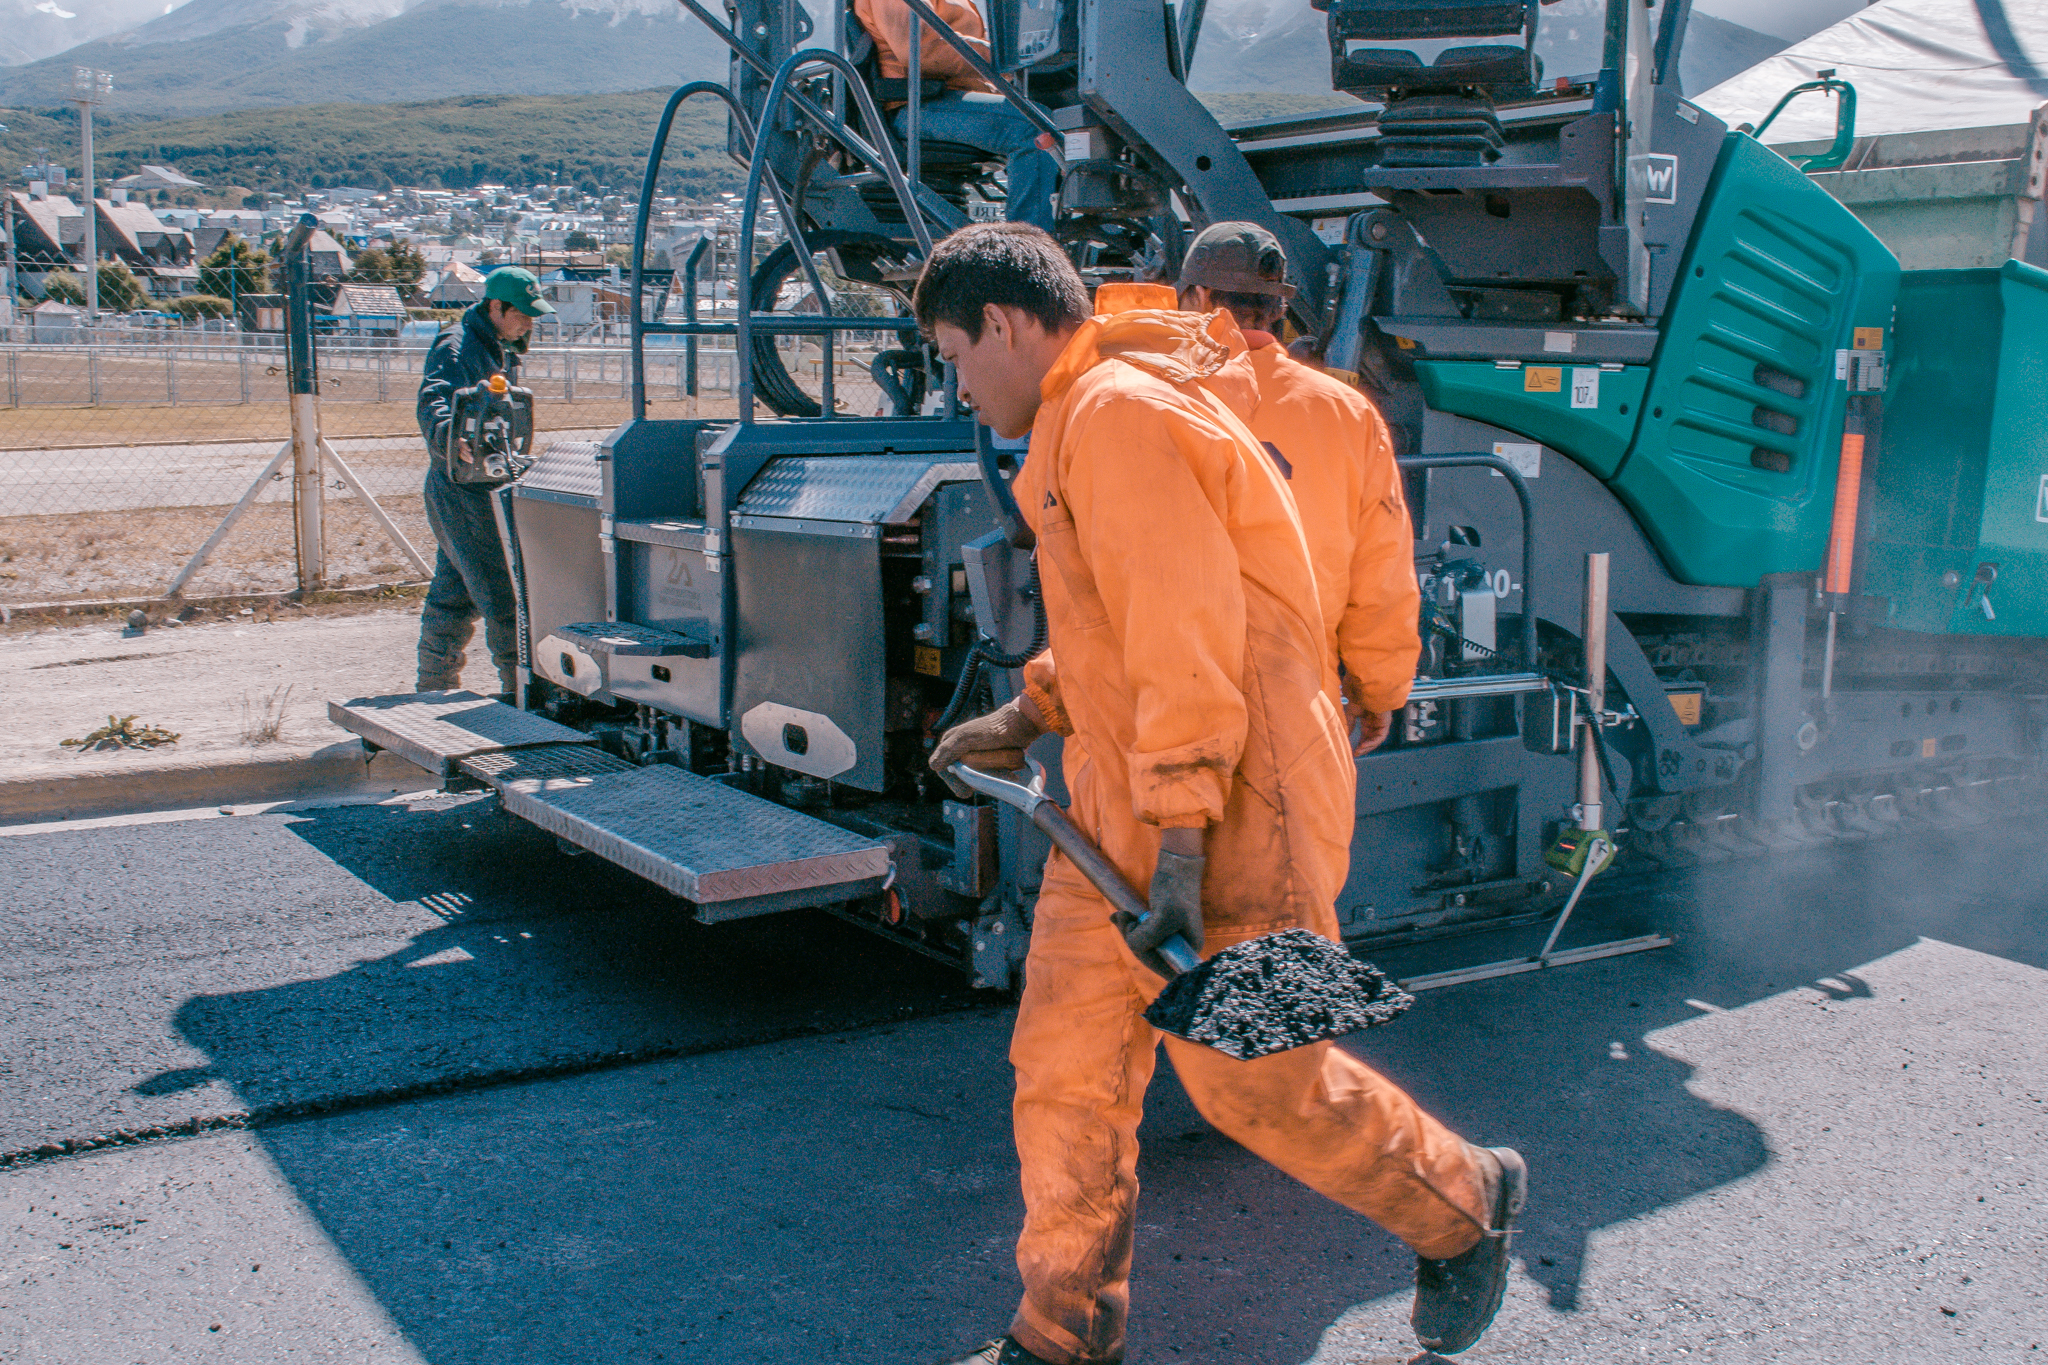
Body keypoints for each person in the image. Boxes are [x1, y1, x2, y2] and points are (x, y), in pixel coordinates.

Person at [918, 223, 1524, 1365]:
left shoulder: (1116, 416)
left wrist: (1186, 845)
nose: (958, 385)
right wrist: (1030, 713)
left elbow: (1185, 630)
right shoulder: (1088, 412)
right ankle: (1060, 1331)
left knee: (1260, 1084)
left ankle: (1466, 1200)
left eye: (954, 355)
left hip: (1245, 807)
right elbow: (1125, 620)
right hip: (1124, 805)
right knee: (1066, 1073)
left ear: (999, 323)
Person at [1175, 221, 1422, 756]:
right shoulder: (1349, 413)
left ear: (1197, 297)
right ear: (1278, 308)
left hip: (1169, 700)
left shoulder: (1149, 397)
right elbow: (1381, 576)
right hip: (1296, 706)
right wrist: (1378, 689)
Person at [413, 266, 553, 696]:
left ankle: (434, 682)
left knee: (454, 593)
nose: (529, 323)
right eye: (523, 314)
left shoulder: (497, 346)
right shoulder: (457, 345)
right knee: (501, 590)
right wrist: (448, 436)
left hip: (476, 483)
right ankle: (520, 689)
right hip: (463, 488)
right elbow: (434, 397)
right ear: (496, 307)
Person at [853, 0, 1061, 231]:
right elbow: (923, 48)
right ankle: (1030, 241)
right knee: (1033, 126)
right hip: (914, 106)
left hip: (944, 100)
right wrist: (1005, 57)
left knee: (1059, 117)